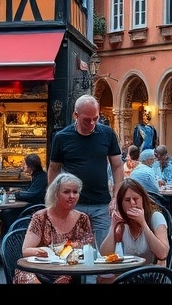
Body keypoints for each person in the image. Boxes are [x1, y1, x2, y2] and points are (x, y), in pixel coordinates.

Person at [48, 95, 125, 247]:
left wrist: (116, 196)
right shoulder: (62, 137)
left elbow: (117, 166)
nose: (92, 123)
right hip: (72, 204)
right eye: (86, 119)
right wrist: (53, 199)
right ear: (75, 115)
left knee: (105, 251)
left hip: (101, 203)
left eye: (95, 118)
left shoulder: (107, 134)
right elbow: (53, 168)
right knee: (74, 251)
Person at [13, 172, 96, 284]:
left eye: (75, 192)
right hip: (37, 270)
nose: (72, 196)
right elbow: (26, 251)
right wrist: (42, 252)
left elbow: (89, 250)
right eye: (66, 192)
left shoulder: (83, 218)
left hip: (69, 272)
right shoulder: (41, 217)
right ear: (55, 194)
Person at [98, 177, 169, 283]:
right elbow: (105, 254)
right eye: (127, 200)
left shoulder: (155, 217)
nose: (132, 203)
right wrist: (113, 226)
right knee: (102, 280)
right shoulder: (123, 223)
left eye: (136, 199)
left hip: (150, 274)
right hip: (129, 272)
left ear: (142, 199)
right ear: (121, 203)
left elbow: (162, 253)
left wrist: (143, 224)